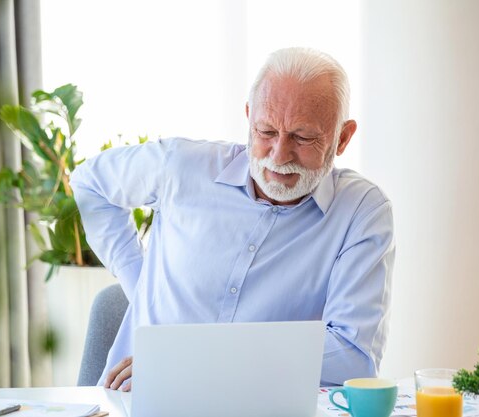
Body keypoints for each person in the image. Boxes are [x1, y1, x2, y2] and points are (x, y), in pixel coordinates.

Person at [70, 47, 395, 390]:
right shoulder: (181, 166)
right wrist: (141, 283)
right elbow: (91, 183)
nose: (279, 155)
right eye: (266, 131)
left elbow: (353, 359)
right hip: (142, 398)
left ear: (342, 138)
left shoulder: (361, 211)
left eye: (303, 137)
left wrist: (197, 362)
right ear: (248, 117)